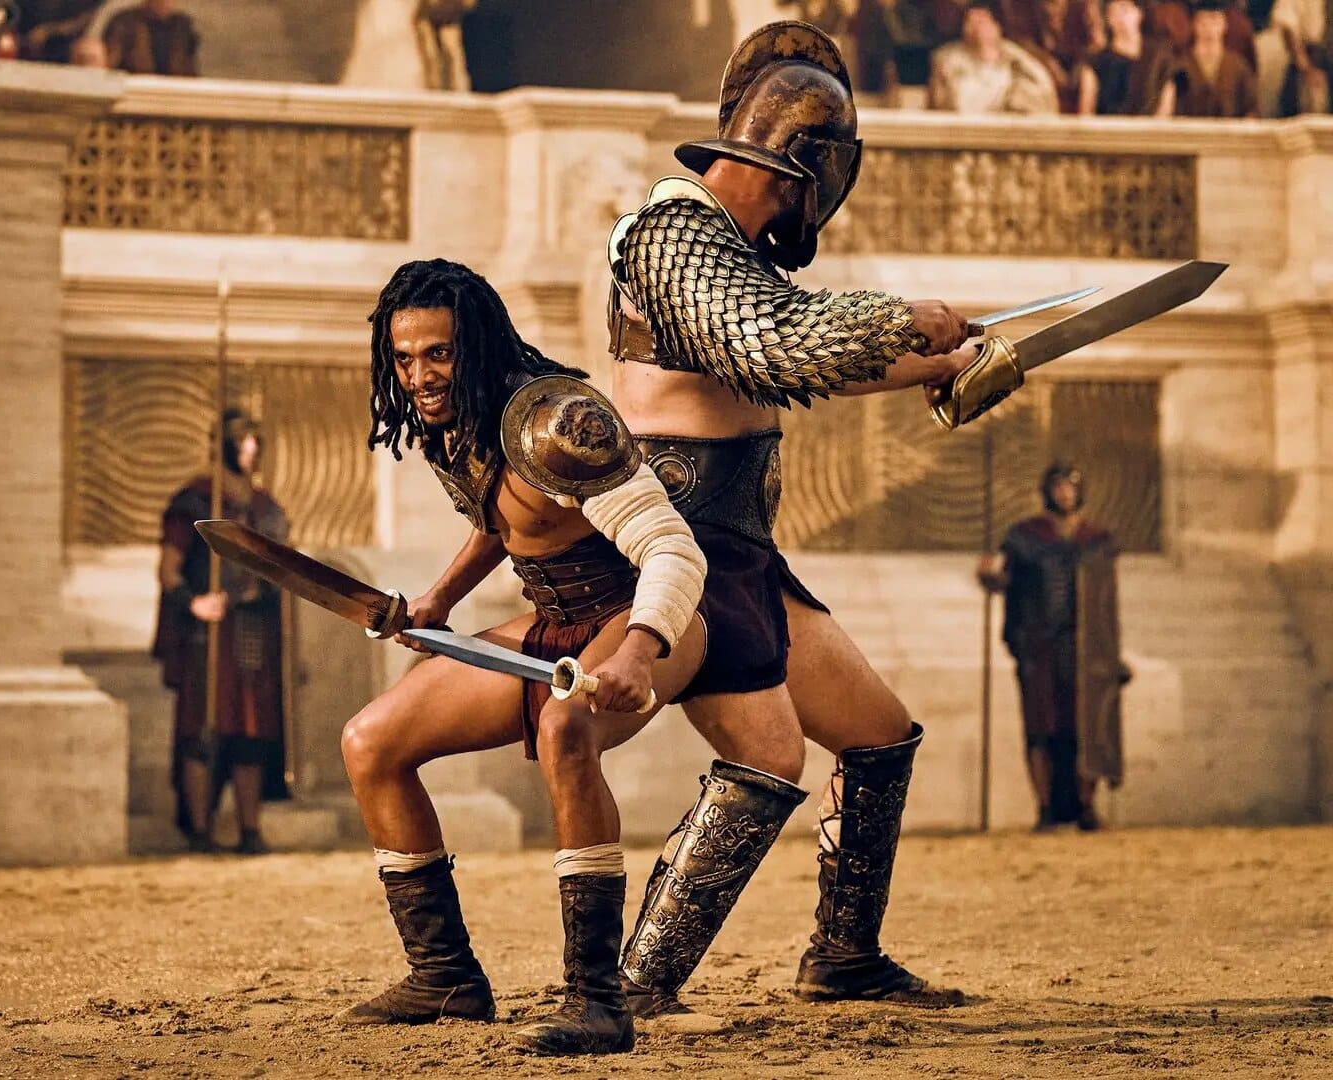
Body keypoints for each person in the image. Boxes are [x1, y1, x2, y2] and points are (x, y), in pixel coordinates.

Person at [599, 21, 978, 1017]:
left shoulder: (729, 255)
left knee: (878, 736)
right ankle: (635, 982)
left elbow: (799, 357)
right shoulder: (670, 232)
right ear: (803, 172)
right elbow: (776, 344)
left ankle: (844, 957)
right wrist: (903, 319)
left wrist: (945, 362)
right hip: (680, 543)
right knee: (768, 755)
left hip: (743, 550)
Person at [339, 259, 709, 1056]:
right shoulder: (455, 425)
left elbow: (673, 551)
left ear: (476, 344)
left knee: (564, 731)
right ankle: (444, 975)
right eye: (403, 359)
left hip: (643, 620)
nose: (419, 377)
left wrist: (637, 653)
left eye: (438, 354)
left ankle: (598, 1001)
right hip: (552, 624)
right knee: (370, 742)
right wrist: (439, 599)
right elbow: (503, 520)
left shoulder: (562, 421)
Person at [152, 410, 291, 856]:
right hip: (208, 634)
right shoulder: (196, 501)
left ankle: (250, 830)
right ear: (224, 445)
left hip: (253, 627)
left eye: (256, 439)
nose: (252, 448)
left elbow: (281, 566)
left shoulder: (265, 508)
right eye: (242, 439)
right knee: (203, 728)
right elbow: (169, 570)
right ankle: (199, 829)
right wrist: (194, 602)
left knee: (252, 730)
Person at [978, 463, 1128, 831]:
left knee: (1086, 727)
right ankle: (1045, 808)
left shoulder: (1096, 540)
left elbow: (1105, 603)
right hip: (1038, 649)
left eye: (1070, 487)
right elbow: (1006, 581)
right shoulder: (1026, 538)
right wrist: (990, 578)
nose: (1065, 494)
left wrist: (1111, 655)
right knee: (1041, 728)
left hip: (1085, 653)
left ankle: (1087, 806)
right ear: (1048, 491)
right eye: (1058, 487)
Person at [929, 0, 1065, 112]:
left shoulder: (1020, 63)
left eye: (982, 21)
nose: (977, 28)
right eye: (971, 22)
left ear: (996, 27)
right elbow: (942, 103)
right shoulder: (948, 62)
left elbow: (1043, 95)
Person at [1156, 0, 1260, 115]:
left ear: (1224, 24)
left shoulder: (1239, 67)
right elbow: (1168, 110)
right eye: (1203, 22)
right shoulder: (1180, 66)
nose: (1209, 29)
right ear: (1194, 25)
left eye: (1214, 20)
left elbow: (1251, 109)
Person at [1080, 0, 1166, 113]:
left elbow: (1165, 105)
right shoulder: (1097, 63)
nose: (1120, 17)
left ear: (1139, 13)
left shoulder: (1158, 58)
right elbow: (1086, 111)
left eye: (1124, 10)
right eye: (1113, 12)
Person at [102, 0, 198, 75]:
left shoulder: (182, 26)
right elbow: (110, 64)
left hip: (176, 88)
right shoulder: (123, 23)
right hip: (133, 86)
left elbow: (189, 67)